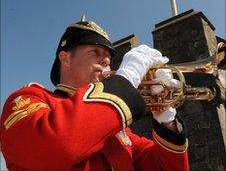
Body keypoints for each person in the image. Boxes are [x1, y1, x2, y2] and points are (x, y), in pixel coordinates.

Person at [1, 18, 189, 171]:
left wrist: (166, 118)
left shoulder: (118, 130)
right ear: (66, 58)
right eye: (96, 51)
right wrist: (126, 80)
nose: (107, 60)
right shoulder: (29, 97)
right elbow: (56, 145)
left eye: (108, 57)